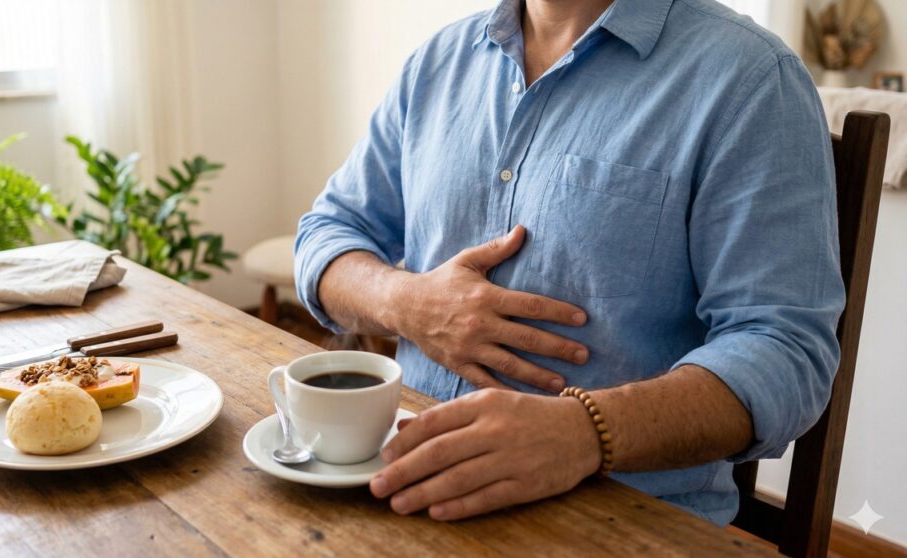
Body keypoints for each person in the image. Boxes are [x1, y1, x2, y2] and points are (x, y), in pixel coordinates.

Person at [294, 0, 844, 525]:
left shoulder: (750, 79)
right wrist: (405, 302)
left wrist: (586, 433)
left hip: (616, 522)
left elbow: (786, 351)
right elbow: (326, 236)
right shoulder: (435, 64)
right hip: (397, 487)